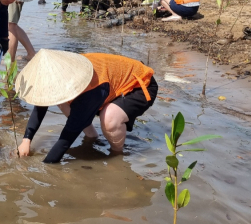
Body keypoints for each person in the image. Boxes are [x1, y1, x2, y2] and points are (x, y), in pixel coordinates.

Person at [15, 49, 158, 163]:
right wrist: (26, 140)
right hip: (107, 87)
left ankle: (117, 155)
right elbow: (41, 105)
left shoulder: (91, 87)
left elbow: (68, 135)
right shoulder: (63, 70)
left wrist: (47, 165)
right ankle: (92, 137)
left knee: (109, 118)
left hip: (140, 86)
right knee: (60, 100)